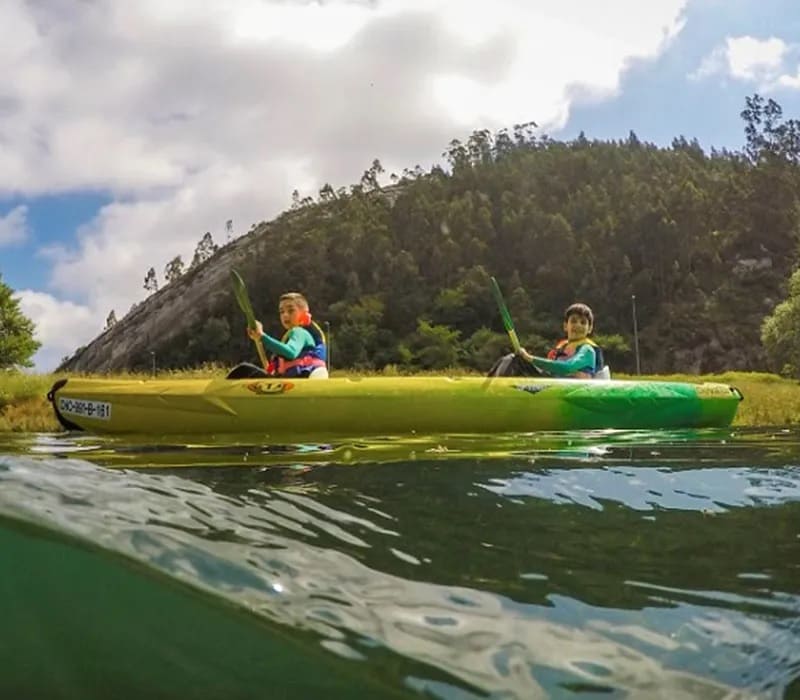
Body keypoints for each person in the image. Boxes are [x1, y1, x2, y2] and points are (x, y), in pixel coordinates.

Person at [488, 302, 606, 378]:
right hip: (554, 385)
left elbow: (567, 367)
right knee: (513, 359)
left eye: (583, 323)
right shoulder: (562, 347)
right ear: (566, 326)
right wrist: (525, 359)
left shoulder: (587, 350)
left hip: (571, 390)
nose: (578, 325)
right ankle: (489, 390)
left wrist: (530, 358)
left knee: (520, 359)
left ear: (590, 329)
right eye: (573, 321)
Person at [227, 292, 328, 379]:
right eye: (281, 312)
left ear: (304, 313)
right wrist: (258, 338)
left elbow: (291, 352)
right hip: (287, 379)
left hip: (302, 378)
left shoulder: (300, 332)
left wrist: (262, 336)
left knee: (243, 370)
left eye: (291, 310)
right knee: (245, 370)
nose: (285, 315)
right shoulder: (292, 335)